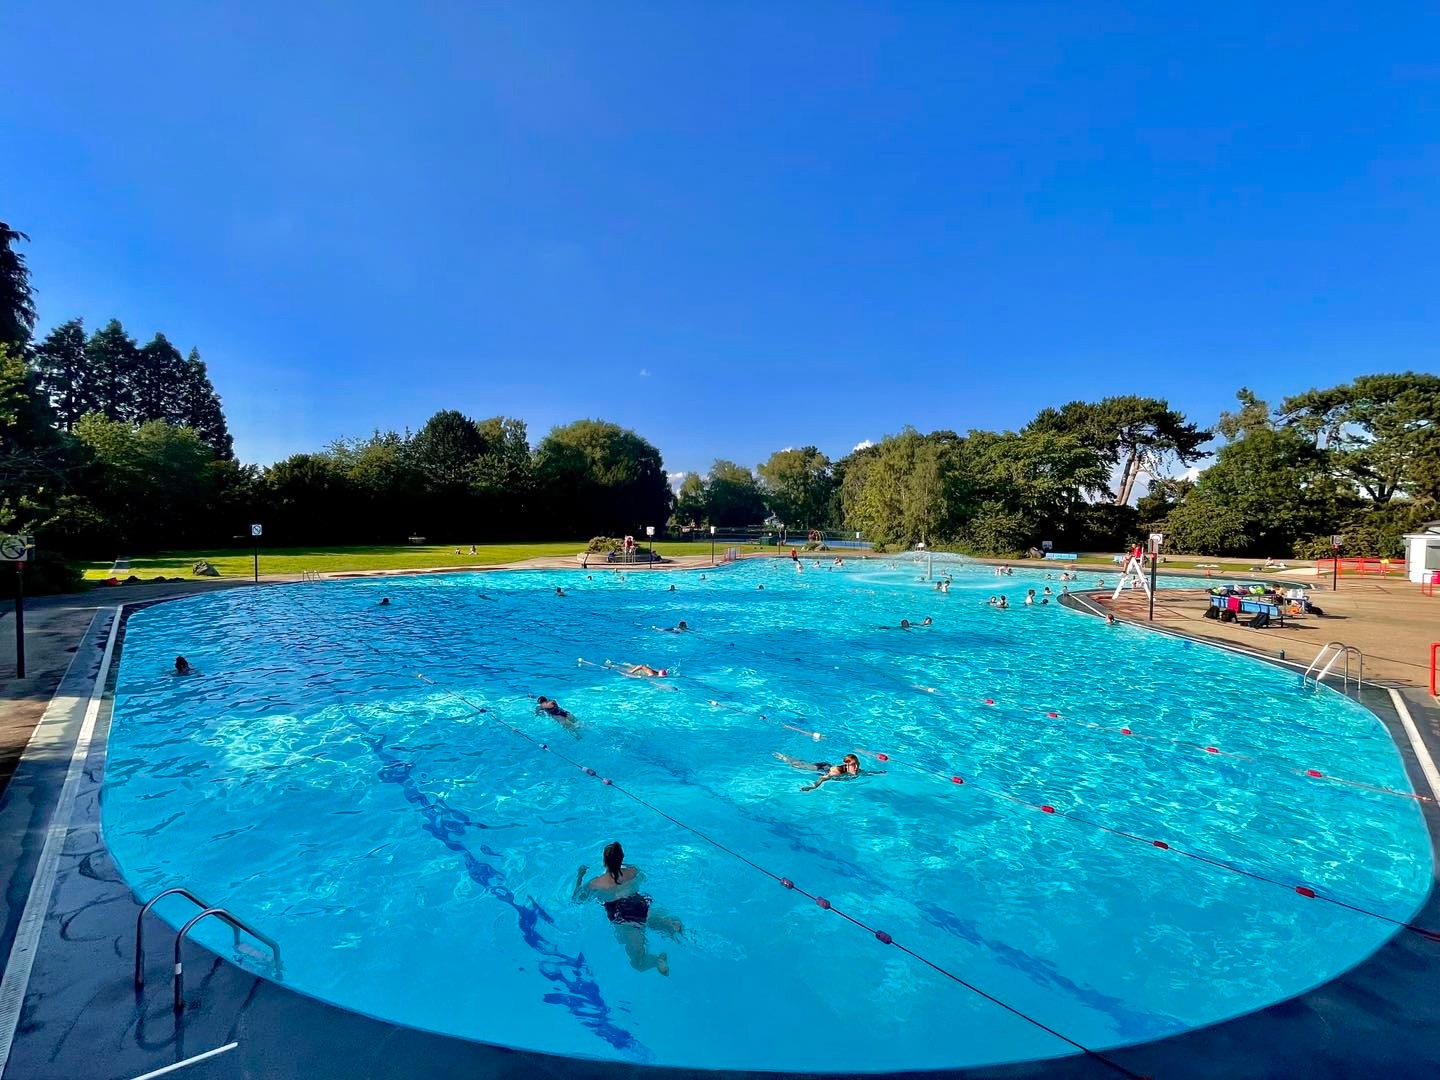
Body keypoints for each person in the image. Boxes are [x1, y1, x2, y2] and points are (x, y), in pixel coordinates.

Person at [572, 842, 682, 975]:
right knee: (652, 919)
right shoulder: (633, 871)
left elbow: (577, 899)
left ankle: (656, 961)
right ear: (622, 858)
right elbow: (643, 878)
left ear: (603, 861)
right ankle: (670, 924)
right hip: (640, 905)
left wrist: (580, 875)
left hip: (623, 917)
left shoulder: (596, 883)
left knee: (638, 962)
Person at [774, 751, 870, 791]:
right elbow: (822, 778)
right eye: (853, 765)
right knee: (798, 766)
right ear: (847, 765)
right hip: (822, 768)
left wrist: (878, 773)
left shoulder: (856, 770)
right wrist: (812, 787)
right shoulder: (836, 772)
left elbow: (864, 773)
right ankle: (784, 757)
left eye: (858, 763)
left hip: (828, 766)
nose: (857, 767)